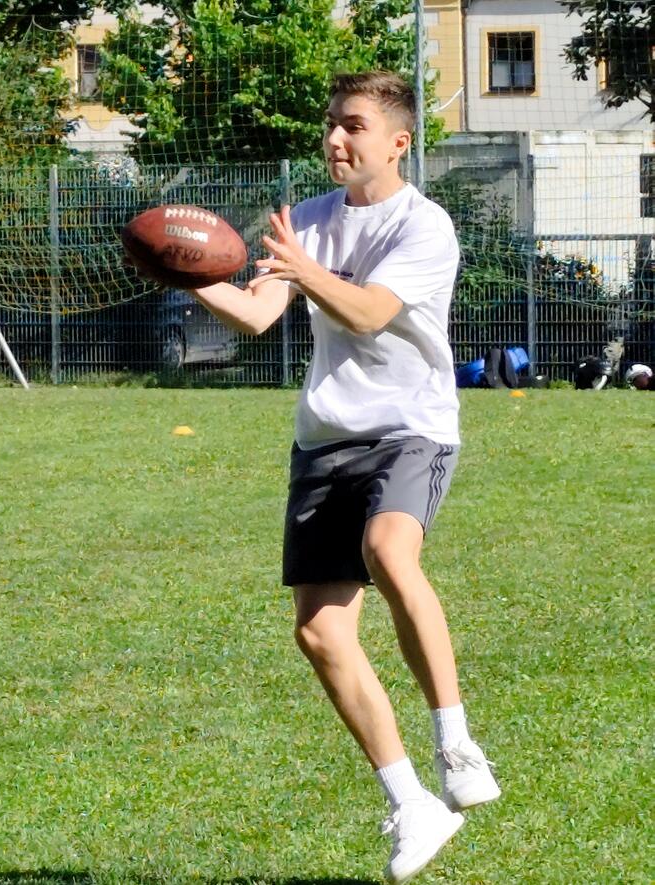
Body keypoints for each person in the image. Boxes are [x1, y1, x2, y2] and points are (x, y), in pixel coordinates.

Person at [186, 71, 500, 884]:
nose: (334, 139)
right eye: (330, 124)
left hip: (409, 429)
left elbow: (367, 312)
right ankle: (411, 802)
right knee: (321, 633)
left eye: (353, 126)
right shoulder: (310, 221)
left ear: (398, 142)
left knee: (392, 551)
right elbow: (259, 316)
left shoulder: (426, 228)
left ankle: (455, 739)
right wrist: (189, 272)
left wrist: (300, 267)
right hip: (325, 438)